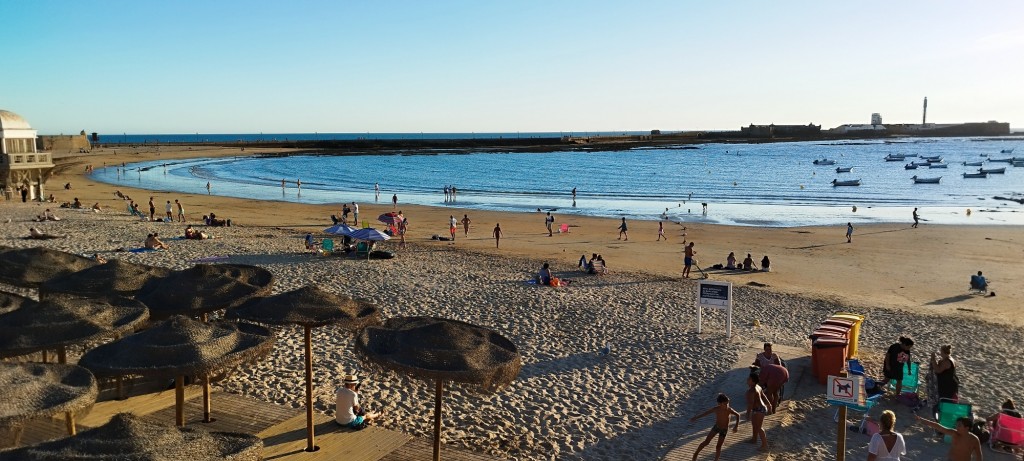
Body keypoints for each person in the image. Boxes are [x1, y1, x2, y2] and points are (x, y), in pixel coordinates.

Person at [689, 393, 740, 461]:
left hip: (724, 429)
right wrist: (696, 417)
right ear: (719, 404)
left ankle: (716, 460)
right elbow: (705, 413)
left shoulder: (729, 409)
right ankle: (696, 453)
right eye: (725, 404)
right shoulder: (716, 409)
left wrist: (736, 426)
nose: (727, 405)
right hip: (716, 427)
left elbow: (738, 415)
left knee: (718, 446)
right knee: (706, 442)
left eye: (728, 403)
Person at [915, 415, 983, 461]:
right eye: (956, 425)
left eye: (959, 425)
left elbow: (979, 456)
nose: (956, 427)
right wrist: (922, 420)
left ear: (967, 428)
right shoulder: (954, 433)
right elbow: (939, 427)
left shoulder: (974, 439)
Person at [745, 372, 771, 452]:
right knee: (754, 424)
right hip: (759, 408)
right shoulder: (758, 386)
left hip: (759, 409)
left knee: (759, 427)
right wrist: (769, 404)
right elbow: (763, 396)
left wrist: (747, 413)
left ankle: (765, 445)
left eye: (749, 379)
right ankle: (754, 439)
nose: (747, 380)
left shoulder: (751, 391)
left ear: (753, 381)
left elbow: (750, 404)